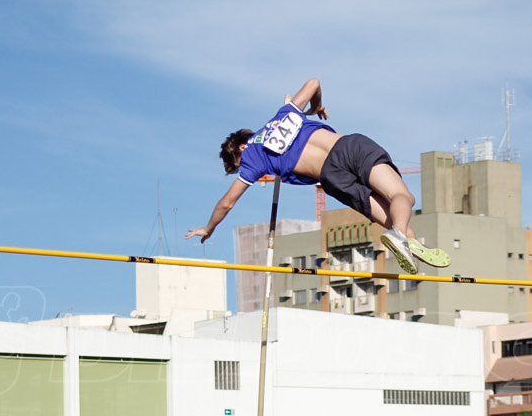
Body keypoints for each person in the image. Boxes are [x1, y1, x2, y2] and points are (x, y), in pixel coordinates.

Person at [186, 78, 451, 275]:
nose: (243, 169)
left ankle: (408, 241)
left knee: (395, 219)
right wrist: (318, 105)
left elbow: (226, 203)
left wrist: (209, 228)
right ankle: (401, 237)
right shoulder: (283, 115)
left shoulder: (252, 159)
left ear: (242, 148)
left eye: (237, 164)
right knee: (402, 196)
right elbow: (314, 82)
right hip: (348, 149)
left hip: (331, 179)